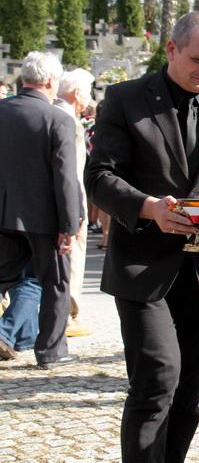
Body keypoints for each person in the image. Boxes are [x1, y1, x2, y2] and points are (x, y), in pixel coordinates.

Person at [84, 11, 199, 462]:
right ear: (171, 50)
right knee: (157, 380)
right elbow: (99, 176)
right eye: (198, 60)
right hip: (144, 266)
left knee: (188, 393)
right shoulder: (126, 100)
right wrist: (149, 208)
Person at [0, 51, 82, 367]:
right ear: (50, 81)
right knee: (55, 283)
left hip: (3, 213)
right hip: (43, 218)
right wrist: (70, 224)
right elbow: (65, 177)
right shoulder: (58, 119)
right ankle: (51, 351)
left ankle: (21, 337)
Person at [54, 68, 96, 338]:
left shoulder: (49, 113)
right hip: (69, 200)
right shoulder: (68, 121)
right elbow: (72, 173)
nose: (89, 99)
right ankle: (69, 315)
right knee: (72, 260)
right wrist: (77, 213)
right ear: (77, 93)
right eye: (88, 93)